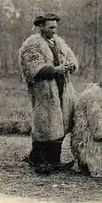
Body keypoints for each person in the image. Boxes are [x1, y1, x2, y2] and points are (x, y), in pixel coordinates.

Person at [19, 13, 78, 175]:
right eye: (50, 27)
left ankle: (54, 160)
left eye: (55, 27)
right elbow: (33, 68)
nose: (54, 30)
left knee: (60, 123)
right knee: (44, 123)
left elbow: (71, 59)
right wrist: (54, 70)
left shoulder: (59, 42)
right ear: (41, 27)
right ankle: (39, 160)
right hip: (44, 90)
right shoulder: (32, 44)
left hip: (62, 87)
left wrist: (70, 65)